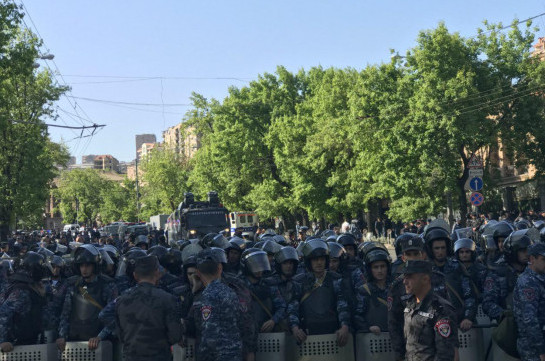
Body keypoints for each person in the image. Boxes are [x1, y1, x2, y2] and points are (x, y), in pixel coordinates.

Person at [115, 255, 182, 361]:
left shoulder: (121, 300)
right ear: (157, 273)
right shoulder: (168, 299)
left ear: (135, 276)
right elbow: (175, 335)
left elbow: (120, 334)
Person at [288, 239, 351, 346]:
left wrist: (344, 326)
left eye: (322, 259)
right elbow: (293, 307)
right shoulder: (299, 281)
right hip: (307, 334)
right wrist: (295, 328)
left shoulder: (335, 279)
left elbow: (342, 304)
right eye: (315, 259)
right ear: (309, 261)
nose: (319, 263)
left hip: (332, 332)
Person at [56, 244, 118, 351]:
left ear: (94, 266)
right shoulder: (73, 285)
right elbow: (65, 313)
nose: (84, 269)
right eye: (81, 266)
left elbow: (114, 316)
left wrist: (99, 337)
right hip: (74, 342)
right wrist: (62, 335)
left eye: (88, 265)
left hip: (99, 345)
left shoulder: (107, 285)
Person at [403, 260, 458, 361]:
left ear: (425, 279)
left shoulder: (440, 309)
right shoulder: (410, 305)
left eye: (410, 277)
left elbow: (445, 355)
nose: (405, 281)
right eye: (405, 277)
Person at [195, 248, 243, 361]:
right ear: (220, 268)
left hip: (217, 356)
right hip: (234, 353)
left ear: (198, 273)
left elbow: (210, 333)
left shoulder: (208, 295)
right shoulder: (230, 291)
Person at [0, 252, 48, 352]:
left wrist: (42, 296)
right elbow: (4, 313)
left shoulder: (22, 285)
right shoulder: (22, 290)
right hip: (17, 345)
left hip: (27, 341)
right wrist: (3, 340)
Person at [483, 229, 531, 322]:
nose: (527, 254)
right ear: (513, 251)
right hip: (510, 326)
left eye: (528, 250)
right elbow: (487, 303)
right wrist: (505, 315)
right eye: (522, 250)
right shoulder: (497, 274)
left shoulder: (532, 272)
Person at [513, 243, 545, 361]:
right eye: (543, 259)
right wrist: (541, 350)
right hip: (532, 348)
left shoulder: (540, 278)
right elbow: (530, 319)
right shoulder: (527, 282)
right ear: (532, 259)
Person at [355, 247, 392, 334]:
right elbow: (357, 316)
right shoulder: (364, 290)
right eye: (375, 267)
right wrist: (368, 327)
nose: (380, 271)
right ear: (370, 270)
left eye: (382, 266)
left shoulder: (395, 288)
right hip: (373, 338)